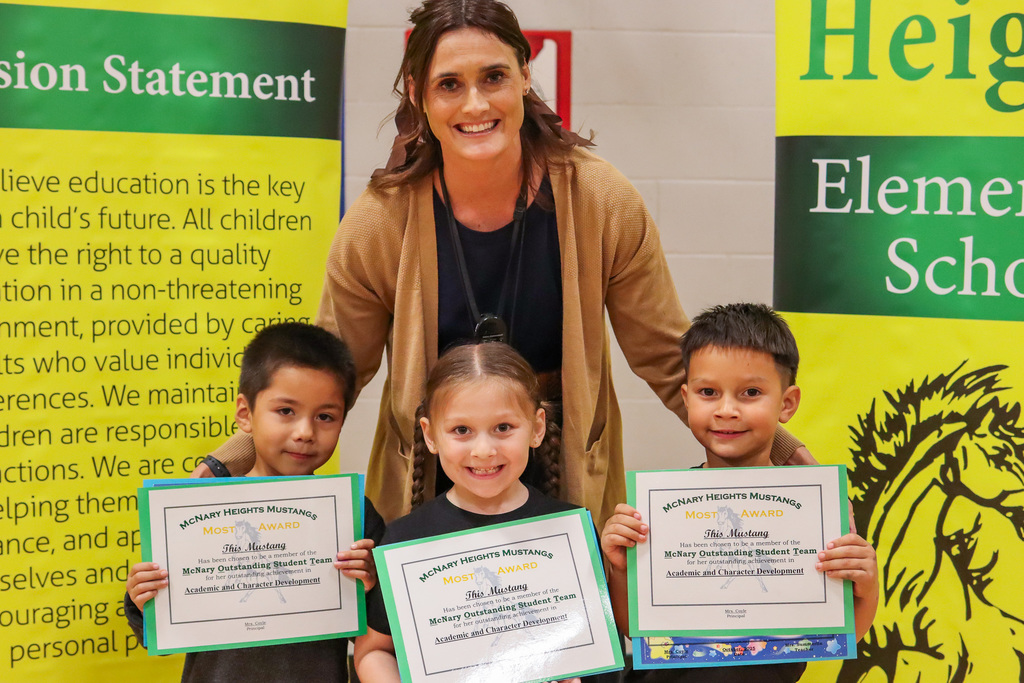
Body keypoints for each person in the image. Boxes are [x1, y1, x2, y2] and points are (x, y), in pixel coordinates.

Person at [197, 0, 812, 526]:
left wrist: (787, 458)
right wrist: (228, 466)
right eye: (449, 84)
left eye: (493, 77)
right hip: (433, 476)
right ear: (418, 94)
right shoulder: (379, 221)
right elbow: (322, 377)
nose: (474, 104)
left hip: (560, 471)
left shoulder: (601, 200)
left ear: (524, 76)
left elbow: (667, 357)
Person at [600, 304, 879, 683]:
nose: (727, 410)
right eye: (708, 392)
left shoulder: (817, 513)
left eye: (750, 392)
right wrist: (618, 566)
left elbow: (838, 636)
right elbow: (638, 629)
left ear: (787, 402)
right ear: (686, 397)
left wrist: (866, 582)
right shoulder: (660, 514)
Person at [124, 323, 384, 682]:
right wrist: (142, 599)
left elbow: (379, 636)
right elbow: (161, 636)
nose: (305, 432)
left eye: (325, 416)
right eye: (286, 411)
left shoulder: (352, 515)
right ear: (245, 414)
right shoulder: (198, 509)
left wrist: (372, 582)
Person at [353, 342, 606, 683]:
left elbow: (597, 652)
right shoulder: (404, 540)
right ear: (430, 436)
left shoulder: (572, 533)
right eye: (461, 430)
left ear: (537, 427)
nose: (484, 450)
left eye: (503, 428)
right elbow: (375, 651)